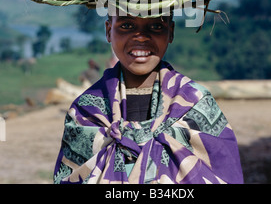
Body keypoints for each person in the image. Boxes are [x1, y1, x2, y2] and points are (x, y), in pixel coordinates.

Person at [53, 11, 243, 184]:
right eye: (127, 25)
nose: (141, 37)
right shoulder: (87, 110)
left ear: (171, 32)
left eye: (156, 26)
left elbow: (223, 173)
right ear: (109, 30)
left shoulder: (196, 103)